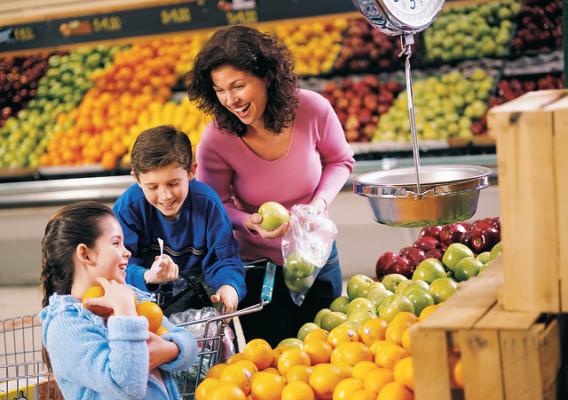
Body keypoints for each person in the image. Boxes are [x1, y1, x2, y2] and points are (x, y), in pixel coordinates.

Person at [186, 25, 355, 346]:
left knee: (332, 352)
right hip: (258, 269)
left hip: (315, 256)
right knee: (272, 362)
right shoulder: (216, 138)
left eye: (238, 86)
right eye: (219, 90)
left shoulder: (312, 109)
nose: (230, 99)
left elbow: (340, 161)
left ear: (266, 76)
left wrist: (318, 205)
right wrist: (247, 222)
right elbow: (214, 202)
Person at [39, 201, 198, 399]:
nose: (127, 252)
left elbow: (190, 344)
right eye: (116, 243)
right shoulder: (66, 326)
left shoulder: (130, 297)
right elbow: (125, 387)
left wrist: (170, 349)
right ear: (85, 254)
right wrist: (124, 312)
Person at [113, 125, 247, 315]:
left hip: (198, 309)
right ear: (136, 178)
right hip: (142, 311)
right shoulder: (128, 209)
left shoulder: (208, 205)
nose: (166, 196)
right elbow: (115, 266)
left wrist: (229, 287)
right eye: (152, 187)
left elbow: (224, 260)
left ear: (191, 171)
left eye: (174, 183)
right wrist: (148, 276)